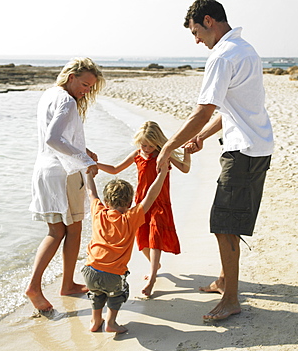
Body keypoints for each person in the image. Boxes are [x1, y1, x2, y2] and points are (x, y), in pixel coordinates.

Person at [157, 0, 274, 321]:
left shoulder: (221, 56)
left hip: (243, 152)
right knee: (229, 219)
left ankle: (231, 299)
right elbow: (230, 110)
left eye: (196, 31)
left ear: (209, 21)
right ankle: (225, 280)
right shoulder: (246, 49)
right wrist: (202, 137)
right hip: (257, 145)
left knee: (224, 224)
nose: (196, 40)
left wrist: (168, 147)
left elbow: (203, 111)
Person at [26, 57, 105, 312]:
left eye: (90, 87)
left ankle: (67, 284)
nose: (86, 91)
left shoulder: (49, 94)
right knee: (64, 231)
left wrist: (85, 150)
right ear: (71, 77)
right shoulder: (68, 101)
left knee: (62, 230)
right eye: (84, 84)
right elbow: (53, 138)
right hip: (63, 172)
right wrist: (84, 160)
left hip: (45, 170)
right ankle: (36, 286)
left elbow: (59, 137)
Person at [98, 121, 190, 297]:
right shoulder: (137, 154)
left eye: (150, 145)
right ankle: (156, 265)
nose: (146, 148)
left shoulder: (164, 155)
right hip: (141, 203)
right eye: (143, 144)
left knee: (155, 237)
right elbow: (115, 169)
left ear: (158, 143)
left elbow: (185, 168)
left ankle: (152, 278)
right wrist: (96, 165)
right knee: (141, 238)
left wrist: (186, 151)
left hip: (160, 202)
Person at [82, 158, 170, 333]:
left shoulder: (99, 212)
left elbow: (91, 193)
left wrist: (89, 174)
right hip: (114, 275)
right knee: (119, 293)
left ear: (107, 202)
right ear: (129, 203)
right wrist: (162, 174)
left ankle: (95, 320)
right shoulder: (131, 218)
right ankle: (111, 322)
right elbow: (150, 197)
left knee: (96, 293)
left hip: (89, 271)